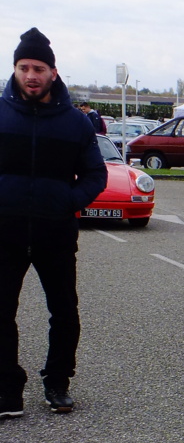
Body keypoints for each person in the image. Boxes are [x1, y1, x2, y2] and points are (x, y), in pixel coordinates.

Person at [0, 28, 107, 418]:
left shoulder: (75, 123)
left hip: (55, 234)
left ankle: (57, 383)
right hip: (5, 233)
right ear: (15, 69)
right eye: (24, 67)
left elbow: (96, 175)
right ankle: (7, 389)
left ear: (53, 73)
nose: (31, 75)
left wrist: (69, 202)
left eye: (39, 68)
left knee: (64, 312)